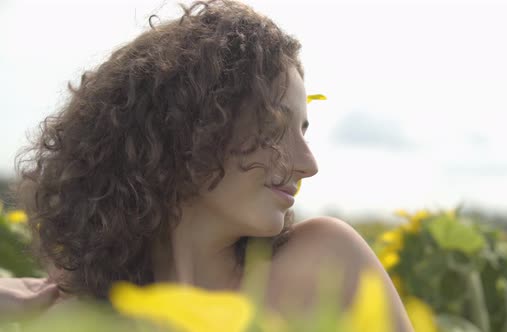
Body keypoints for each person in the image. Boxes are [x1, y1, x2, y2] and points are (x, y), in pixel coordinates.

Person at [3, 0, 414, 330]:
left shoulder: (327, 261)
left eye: (303, 132)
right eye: (273, 128)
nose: (307, 164)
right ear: (184, 128)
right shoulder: (83, 318)